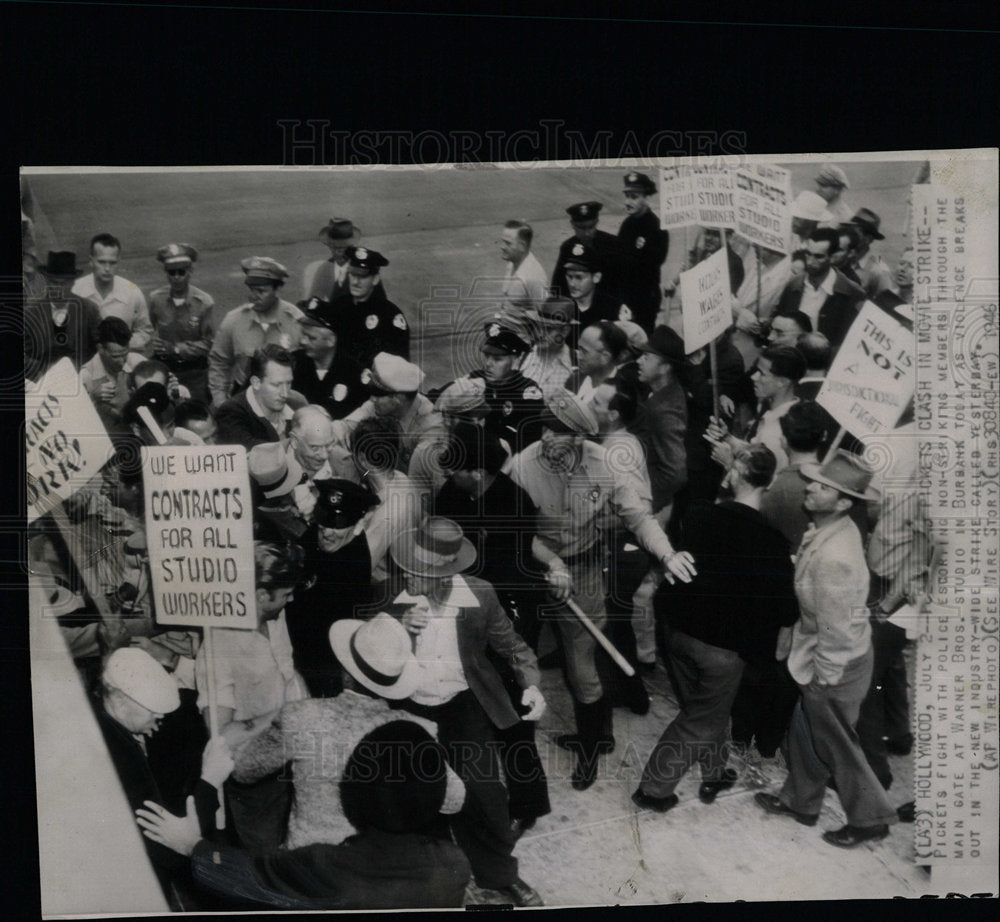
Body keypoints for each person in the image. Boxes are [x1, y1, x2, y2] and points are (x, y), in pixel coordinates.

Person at [509, 389, 696, 789]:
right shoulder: (523, 467)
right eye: (544, 427)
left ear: (579, 438)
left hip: (584, 573)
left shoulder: (606, 465)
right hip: (532, 571)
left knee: (582, 665)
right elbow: (514, 531)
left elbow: (638, 517)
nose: (545, 438)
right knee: (517, 652)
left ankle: (593, 746)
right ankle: (512, 740)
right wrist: (551, 564)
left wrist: (667, 554)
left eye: (557, 432)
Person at [137, 720, 471, 909]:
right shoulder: (455, 865)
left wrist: (191, 845)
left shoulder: (326, 865)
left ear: (356, 795)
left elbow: (248, 874)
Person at [632, 445, 798, 814]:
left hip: (675, 634)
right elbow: (785, 609)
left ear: (732, 476)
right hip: (721, 651)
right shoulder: (772, 544)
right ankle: (653, 790)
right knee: (699, 720)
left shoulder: (699, 515)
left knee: (704, 709)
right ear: (767, 485)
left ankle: (715, 771)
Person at [754, 452, 898, 848]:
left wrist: (824, 677)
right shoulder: (833, 529)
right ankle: (801, 802)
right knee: (805, 731)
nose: (811, 487)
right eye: (815, 481)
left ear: (844, 502)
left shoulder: (836, 556)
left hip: (835, 663)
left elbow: (834, 628)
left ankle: (871, 818)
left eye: (823, 487)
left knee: (837, 746)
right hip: (827, 654)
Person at [194, 541, 310, 854]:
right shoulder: (218, 646)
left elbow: (288, 671)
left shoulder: (276, 617)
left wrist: (308, 709)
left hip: (292, 758)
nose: (291, 599)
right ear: (260, 595)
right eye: (285, 594)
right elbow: (222, 735)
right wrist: (285, 714)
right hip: (254, 778)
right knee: (266, 858)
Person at [95, 647, 224, 907]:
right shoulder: (120, 759)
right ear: (120, 700)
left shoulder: (101, 723)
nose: (160, 716)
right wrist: (210, 780)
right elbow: (169, 850)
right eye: (153, 709)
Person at [208, 257, 303, 405]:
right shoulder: (233, 320)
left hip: (285, 398)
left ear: (277, 289)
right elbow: (219, 362)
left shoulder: (295, 321)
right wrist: (220, 399)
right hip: (244, 397)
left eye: (261, 291)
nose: (253, 296)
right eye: (251, 290)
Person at [335, 352, 447, 473]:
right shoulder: (378, 406)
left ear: (398, 398)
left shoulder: (430, 428)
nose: (372, 399)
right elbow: (341, 429)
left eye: (378, 395)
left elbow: (421, 484)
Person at [705, 344, 805, 476]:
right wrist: (727, 437)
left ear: (782, 382)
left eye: (762, 374)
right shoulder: (779, 412)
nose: (754, 377)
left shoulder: (776, 434)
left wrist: (728, 463)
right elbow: (754, 451)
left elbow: (766, 488)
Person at [774, 228, 866, 352]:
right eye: (808, 254)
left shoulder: (852, 294)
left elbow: (851, 342)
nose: (810, 261)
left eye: (819, 257)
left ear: (832, 257)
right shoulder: (793, 285)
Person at [632, 326, 689, 526]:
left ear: (665, 367)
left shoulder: (663, 411)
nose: (639, 360)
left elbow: (675, 473)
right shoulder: (664, 393)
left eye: (647, 357)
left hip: (652, 508)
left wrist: (643, 496)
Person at [148, 243, 215, 402]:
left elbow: (209, 343)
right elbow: (148, 329)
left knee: (196, 411)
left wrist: (176, 349)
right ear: (166, 273)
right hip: (165, 369)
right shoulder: (156, 299)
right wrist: (154, 342)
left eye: (181, 272)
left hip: (194, 372)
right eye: (171, 272)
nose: (176, 277)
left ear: (190, 271)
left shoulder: (204, 302)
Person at [24, 250, 101, 381]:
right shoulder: (30, 313)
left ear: (73, 283)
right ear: (46, 281)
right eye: (54, 282)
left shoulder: (89, 310)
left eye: (64, 283)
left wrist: (85, 373)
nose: (59, 288)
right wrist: (42, 371)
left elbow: (102, 348)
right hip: (40, 382)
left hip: (81, 381)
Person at [72, 232, 154, 353]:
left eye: (112, 263)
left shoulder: (132, 291)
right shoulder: (76, 290)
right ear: (91, 261)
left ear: (119, 261)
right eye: (102, 262)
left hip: (120, 360)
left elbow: (144, 330)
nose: (107, 269)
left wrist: (122, 345)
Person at [331, 246, 409, 368]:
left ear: (375, 279)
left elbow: (398, 368)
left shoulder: (389, 315)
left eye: (362, 277)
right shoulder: (338, 306)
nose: (356, 282)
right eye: (352, 274)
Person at [291, 297, 366, 419]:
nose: (303, 341)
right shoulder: (292, 363)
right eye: (303, 334)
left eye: (311, 338)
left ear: (331, 341)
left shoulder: (354, 373)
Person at [215, 345, 296, 450]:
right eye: (276, 385)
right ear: (256, 383)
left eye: (288, 383)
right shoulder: (230, 413)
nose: (285, 393)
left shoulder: (297, 403)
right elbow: (253, 451)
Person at [617, 171, 668, 332]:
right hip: (625, 296)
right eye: (627, 196)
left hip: (644, 299)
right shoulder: (627, 224)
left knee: (641, 339)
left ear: (646, 198)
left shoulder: (656, 227)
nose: (628, 202)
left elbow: (650, 267)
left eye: (634, 197)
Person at [551, 201, 623, 305]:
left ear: (597, 222)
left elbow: (622, 281)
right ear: (572, 225)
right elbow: (559, 284)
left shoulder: (613, 244)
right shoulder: (567, 247)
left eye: (591, 227)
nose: (587, 233)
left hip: (608, 306)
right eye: (581, 228)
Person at [561, 241, 626, 342]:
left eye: (579, 277)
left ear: (596, 277)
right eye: (569, 276)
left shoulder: (612, 309)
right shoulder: (559, 306)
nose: (572, 284)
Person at [80, 316, 134, 430]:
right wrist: (93, 399)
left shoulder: (137, 362)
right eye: (115, 356)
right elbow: (78, 420)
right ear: (100, 348)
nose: (122, 361)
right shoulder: (86, 376)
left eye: (125, 354)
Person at [518, 296, 576, 396]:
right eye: (538, 327)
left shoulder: (575, 363)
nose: (539, 334)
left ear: (565, 331)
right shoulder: (521, 357)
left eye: (548, 329)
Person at [566, 320, 630, 403]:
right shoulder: (572, 378)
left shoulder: (618, 396)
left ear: (605, 357)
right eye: (579, 348)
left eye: (584, 351)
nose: (578, 356)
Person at [498, 219, 549, 321]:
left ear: (522, 246)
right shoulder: (512, 263)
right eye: (502, 241)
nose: (502, 247)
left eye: (508, 243)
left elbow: (545, 315)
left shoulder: (532, 276)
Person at [303, 217, 362, 302]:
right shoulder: (324, 270)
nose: (339, 252)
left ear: (352, 246)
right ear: (329, 246)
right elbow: (314, 300)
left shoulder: (362, 268)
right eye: (335, 247)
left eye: (343, 248)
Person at [848, 208, 896, 300]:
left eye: (855, 233)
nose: (849, 236)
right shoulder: (840, 254)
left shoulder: (878, 270)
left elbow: (886, 302)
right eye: (848, 231)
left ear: (868, 239)